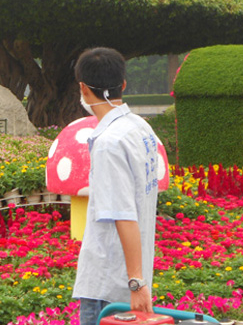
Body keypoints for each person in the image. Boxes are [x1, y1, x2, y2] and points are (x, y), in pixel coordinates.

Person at [72, 47, 160, 325]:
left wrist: (135, 282)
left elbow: (124, 214)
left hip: (109, 285)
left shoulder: (109, 144)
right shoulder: (140, 128)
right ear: (123, 84)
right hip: (131, 276)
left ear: (83, 89)